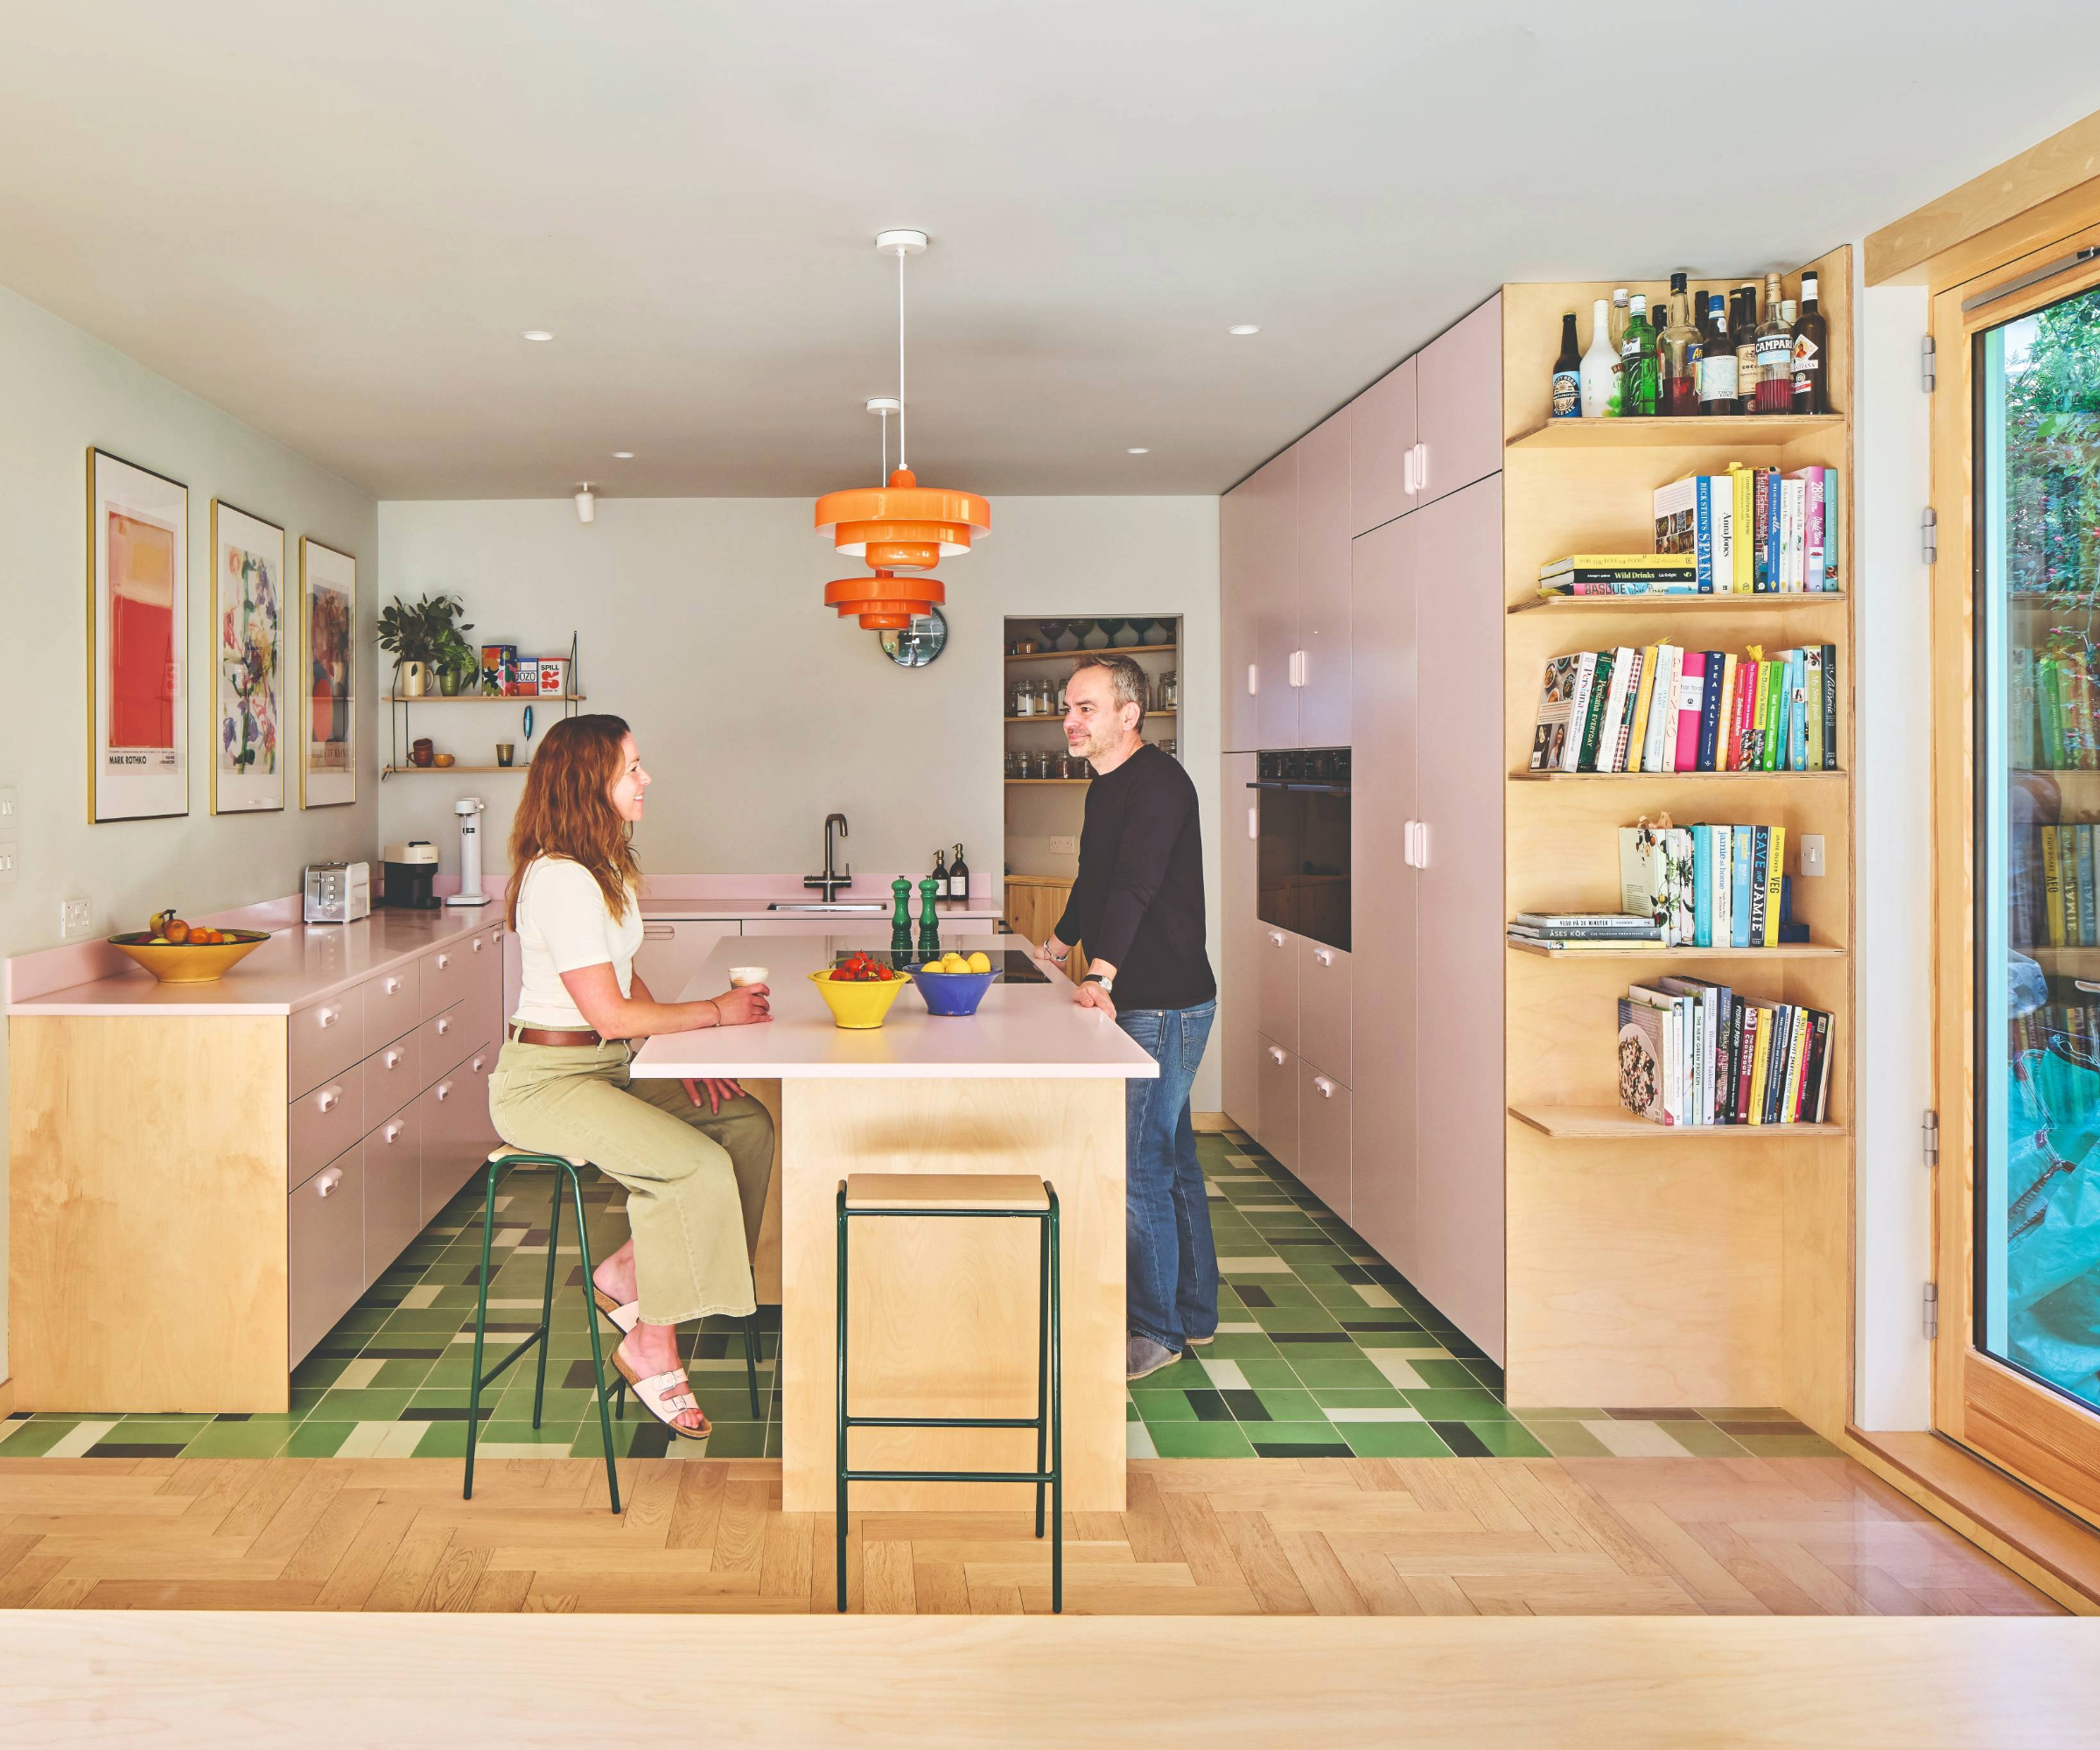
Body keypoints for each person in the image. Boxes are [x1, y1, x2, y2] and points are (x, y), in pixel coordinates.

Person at [486, 713, 775, 1438]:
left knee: (744, 1125)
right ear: (592, 783)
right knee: (692, 1168)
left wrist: (674, 1052)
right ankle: (652, 1341)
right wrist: (713, 1014)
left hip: (610, 1066)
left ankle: (627, 1273)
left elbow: (624, 977)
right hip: (546, 1082)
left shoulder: (604, 867)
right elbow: (608, 1014)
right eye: (632, 769)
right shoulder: (558, 880)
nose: (646, 780)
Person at [1036, 654, 1218, 1380]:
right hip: (1144, 999)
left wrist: (1101, 972)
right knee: (1171, 1158)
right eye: (1068, 707)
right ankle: (1193, 1315)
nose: (1070, 720)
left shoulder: (1161, 785)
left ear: (1127, 716)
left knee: (1139, 1161)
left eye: (1085, 708)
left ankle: (1155, 1330)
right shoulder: (1104, 787)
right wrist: (1053, 948)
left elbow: (1138, 885)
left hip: (1166, 1003)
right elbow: (1097, 880)